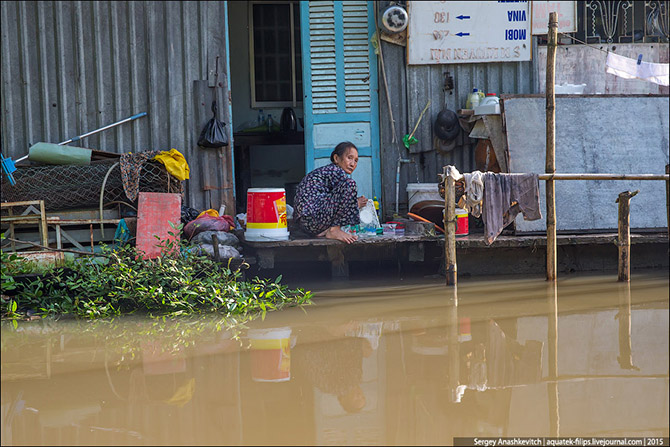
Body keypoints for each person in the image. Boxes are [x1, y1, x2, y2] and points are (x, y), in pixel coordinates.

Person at [293, 141, 367, 243]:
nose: (352, 164)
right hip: (312, 219)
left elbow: (337, 201)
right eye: (349, 158)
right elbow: (345, 197)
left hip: (307, 224)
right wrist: (356, 203)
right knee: (350, 184)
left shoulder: (327, 172)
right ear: (336, 158)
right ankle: (334, 230)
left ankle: (327, 230)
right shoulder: (335, 170)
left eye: (356, 160)